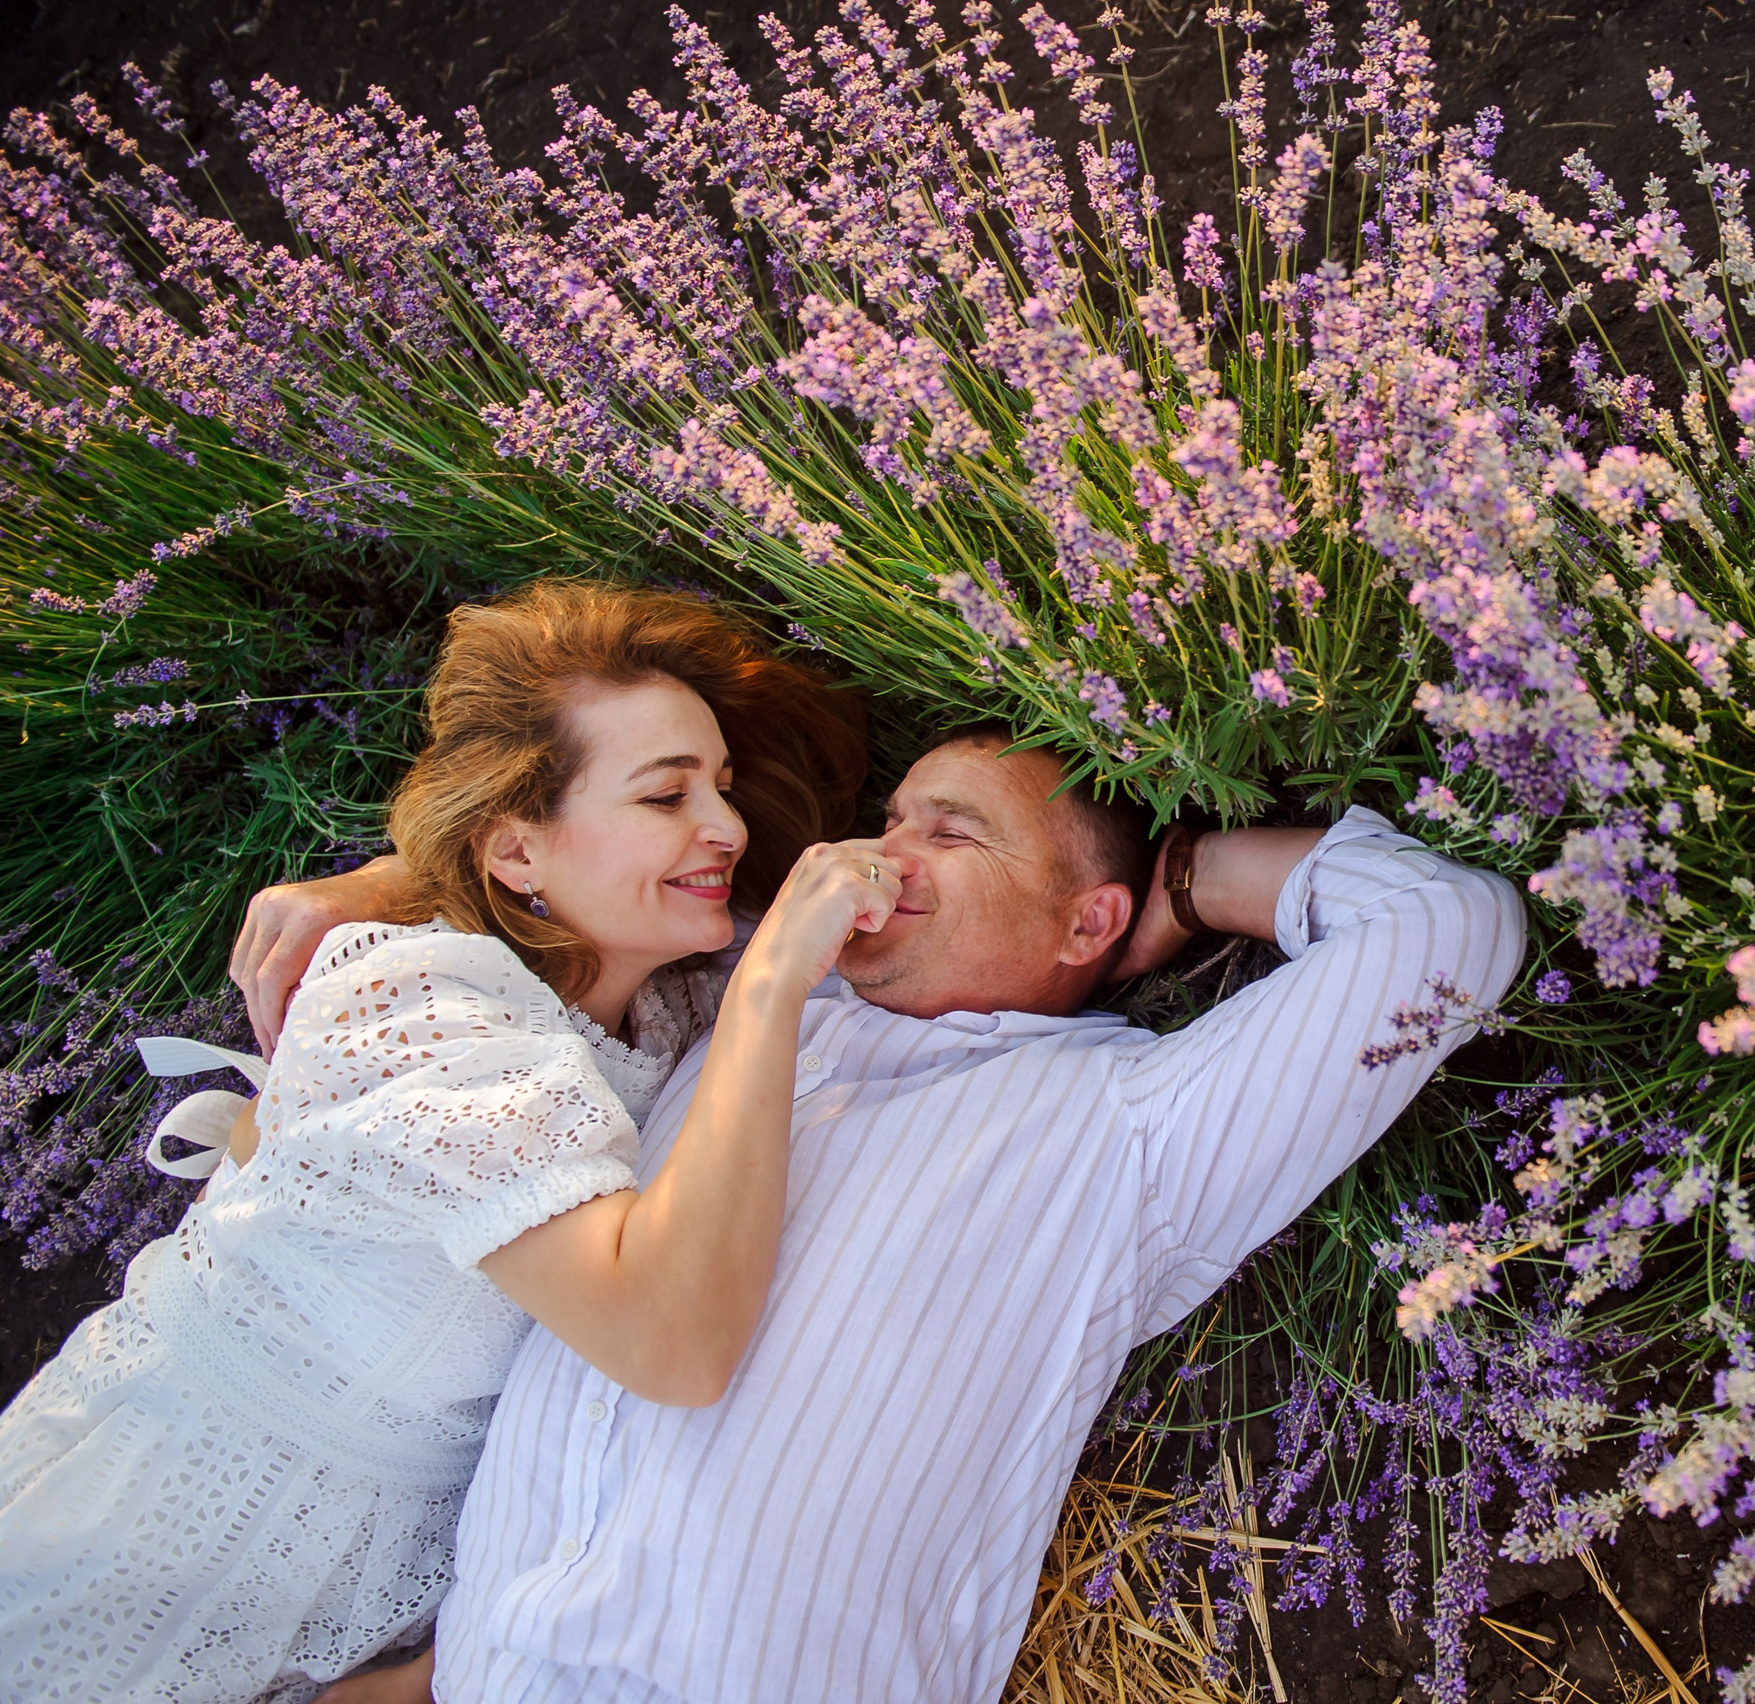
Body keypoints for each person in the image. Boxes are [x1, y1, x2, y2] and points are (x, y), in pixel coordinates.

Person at [236, 722, 1526, 1704]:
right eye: (888, 818)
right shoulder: (743, 992)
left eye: (950, 835)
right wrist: (382, 886)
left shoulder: (1134, 1126)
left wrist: (1184, 883)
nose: (880, 856)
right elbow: (580, 869)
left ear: (1088, 918)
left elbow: (1449, 928)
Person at [0, 583, 884, 1704]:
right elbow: (674, 1346)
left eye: (718, 784)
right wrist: (769, 990)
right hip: (143, 1539)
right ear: (515, 850)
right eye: (667, 795)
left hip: (363, 1601)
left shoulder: (658, 1004)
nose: (727, 825)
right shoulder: (417, 1003)